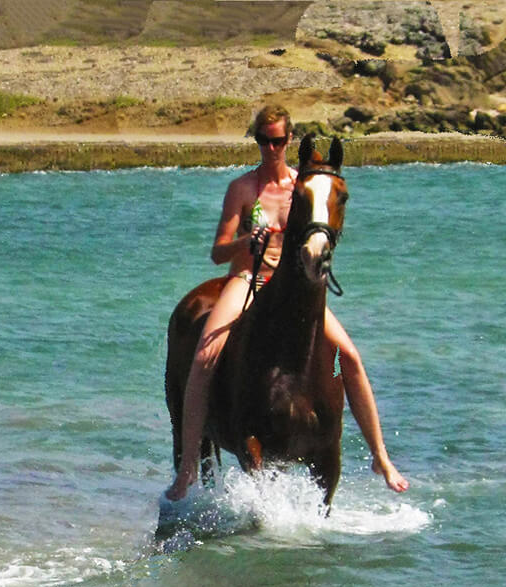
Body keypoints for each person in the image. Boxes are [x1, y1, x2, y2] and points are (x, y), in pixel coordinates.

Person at [164, 105, 409, 502]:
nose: (271, 148)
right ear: (257, 141)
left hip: (293, 289)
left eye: (278, 141)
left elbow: (323, 228)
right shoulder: (242, 189)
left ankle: (381, 457)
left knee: (349, 356)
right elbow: (217, 252)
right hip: (249, 280)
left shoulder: (304, 186)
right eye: (264, 140)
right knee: (205, 355)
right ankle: (190, 463)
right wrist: (247, 242)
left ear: (289, 141)